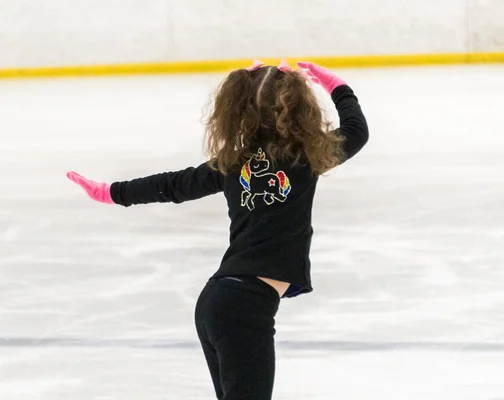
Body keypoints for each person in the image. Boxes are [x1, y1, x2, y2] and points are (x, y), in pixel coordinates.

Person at [66, 60, 369, 400]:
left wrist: (112, 192)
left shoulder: (231, 164)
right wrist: (336, 85)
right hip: (244, 309)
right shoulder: (307, 156)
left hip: (218, 303)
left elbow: (173, 185)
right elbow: (357, 130)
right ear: (301, 109)